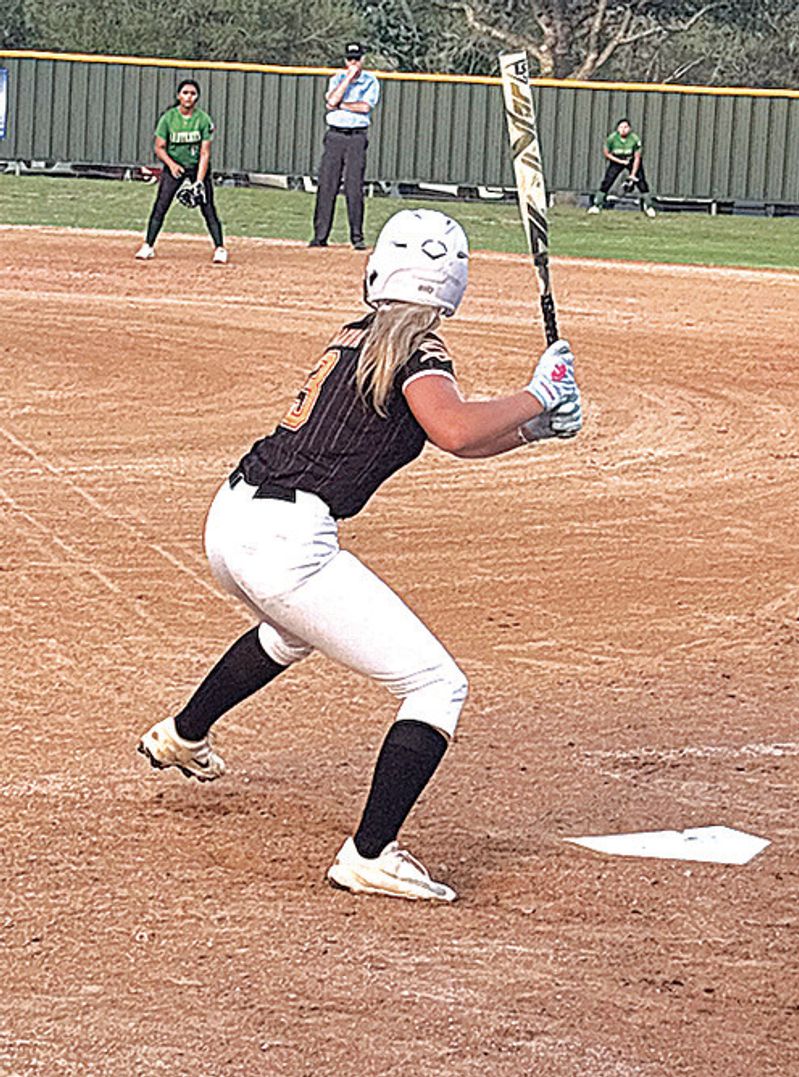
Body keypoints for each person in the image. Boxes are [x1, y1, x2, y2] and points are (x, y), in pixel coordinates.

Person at [136, 208, 583, 902]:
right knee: (437, 685)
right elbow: (457, 429)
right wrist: (536, 393)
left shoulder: (360, 336)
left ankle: (184, 734)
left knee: (290, 630)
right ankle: (370, 852)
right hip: (287, 542)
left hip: (232, 519)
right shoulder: (419, 351)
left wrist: (534, 431)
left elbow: (447, 432)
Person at [135, 79, 227, 264]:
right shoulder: (169, 118)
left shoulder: (203, 119)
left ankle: (220, 248)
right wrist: (171, 164)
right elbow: (159, 147)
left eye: (192, 93)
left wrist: (199, 181)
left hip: (196, 167)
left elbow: (205, 153)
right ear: (178, 96)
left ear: (197, 97)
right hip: (174, 166)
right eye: (185, 93)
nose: (188, 97)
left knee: (208, 207)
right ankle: (148, 245)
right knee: (161, 205)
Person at [310, 42, 381, 251]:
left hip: (356, 137)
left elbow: (364, 107)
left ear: (363, 60)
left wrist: (342, 104)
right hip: (335, 135)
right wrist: (348, 79)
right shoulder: (337, 79)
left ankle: (357, 237)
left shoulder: (371, 81)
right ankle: (320, 236)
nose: (353, 63)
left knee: (354, 186)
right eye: (350, 59)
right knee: (327, 184)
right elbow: (331, 100)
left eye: (357, 59)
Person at [587, 118, 656, 218]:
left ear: (630, 129)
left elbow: (637, 158)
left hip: (631, 159)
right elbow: (607, 154)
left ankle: (649, 206)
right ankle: (597, 205)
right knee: (608, 180)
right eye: (621, 127)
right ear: (617, 129)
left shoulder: (634, 139)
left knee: (642, 182)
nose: (623, 129)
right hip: (616, 159)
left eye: (626, 127)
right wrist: (620, 161)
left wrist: (633, 174)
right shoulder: (612, 138)